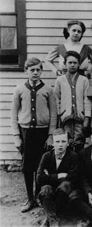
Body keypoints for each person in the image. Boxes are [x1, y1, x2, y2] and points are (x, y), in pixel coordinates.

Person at [11, 57, 57, 213]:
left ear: (41, 71)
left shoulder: (48, 90)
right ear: (26, 72)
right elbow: (13, 114)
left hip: (42, 132)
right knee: (27, 166)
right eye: (32, 70)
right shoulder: (19, 90)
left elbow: (53, 114)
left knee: (40, 165)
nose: (35, 72)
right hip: (26, 132)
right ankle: (30, 197)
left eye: (38, 69)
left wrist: (50, 135)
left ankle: (39, 196)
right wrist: (17, 136)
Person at [37, 128, 80, 226]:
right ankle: (53, 221)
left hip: (65, 193)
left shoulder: (74, 157)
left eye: (63, 141)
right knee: (46, 189)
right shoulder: (46, 156)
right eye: (57, 141)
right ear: (53, 143)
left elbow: (73, 178)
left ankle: (50, 216)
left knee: (65, 185)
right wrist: (59, 176)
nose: (60, 144)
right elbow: (39, 178)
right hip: (50, 191)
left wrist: (48, 177)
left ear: (68, 143)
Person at [54, 51, 91, 152]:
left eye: (75, 63)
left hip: (80, 118)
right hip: (65, 118)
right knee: (67, 143)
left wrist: (87, 117)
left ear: (79, 64)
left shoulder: (84, 80)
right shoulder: (60, 80)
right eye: (70, 62)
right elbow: (56, 99)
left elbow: (87, 100)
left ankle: (79, 167)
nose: (72, 65)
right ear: (65, 64)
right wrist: (59, 115)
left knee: (79, 143)